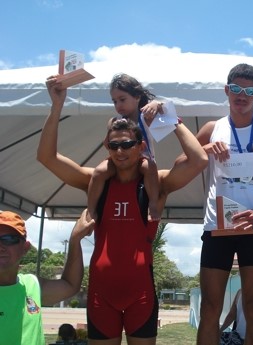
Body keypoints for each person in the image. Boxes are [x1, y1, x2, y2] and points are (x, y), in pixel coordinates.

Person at [39, 76, 208, 345]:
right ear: (107, 147)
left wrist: (170, 118)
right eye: (114, 145)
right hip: (100, 296)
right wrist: (57, 106)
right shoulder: (95, 180)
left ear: (140, 147)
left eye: (127, 145)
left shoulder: (157, 183)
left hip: (140, 295)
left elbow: (199, 160)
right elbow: (47, 158)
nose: (120, 151)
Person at [195, 63, 253, 345]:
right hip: (218, 226)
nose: (241, 95)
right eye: (236, 88)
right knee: (210, 308)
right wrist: (203, 150)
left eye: (249, 90)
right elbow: (182, 164)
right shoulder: (213, 128)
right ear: (226, 90)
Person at [0, 209, 94, 345]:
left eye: (9, 239)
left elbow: (70, 285)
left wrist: (75, 238)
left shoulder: (32, 285)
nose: (1, 246)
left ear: (25, 248)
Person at [88, 73, 168, 222]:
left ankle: (153, 205)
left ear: (137, 97)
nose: (118, 105)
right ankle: (91, 210)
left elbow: (167, 110)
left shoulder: (146, 117)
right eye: (115, 101)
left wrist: (157, 104)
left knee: (150, 168)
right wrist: (111, 131)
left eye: (122, 100)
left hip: (142, 159)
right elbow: (107, 144)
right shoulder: (115, 121)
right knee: (98, 172)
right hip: (121, 161)